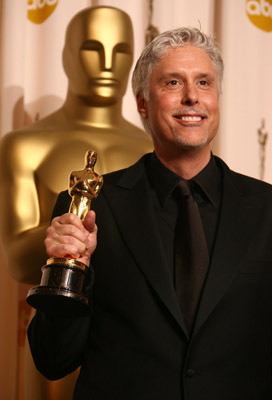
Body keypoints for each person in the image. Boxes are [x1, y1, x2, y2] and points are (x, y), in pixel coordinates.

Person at [27, 27, 272, 400]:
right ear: (142, 103)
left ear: (216, 98)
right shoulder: (89, 205)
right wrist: (70, 270)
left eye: (204, 82)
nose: (192, 96)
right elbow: (52, 359)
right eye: (173, 82)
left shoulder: (267, 208)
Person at [0, 6, 152, 400]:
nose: (107, 64)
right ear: (66, 56)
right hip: (55, 330)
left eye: (120, 50)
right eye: (91, 48)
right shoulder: (25, 146)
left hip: (137, 346)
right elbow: (18, 259)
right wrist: (68, 237)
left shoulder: (154, 150)